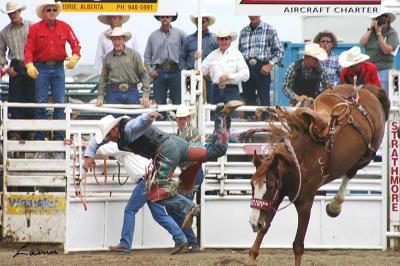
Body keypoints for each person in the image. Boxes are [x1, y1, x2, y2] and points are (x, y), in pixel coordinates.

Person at [83, 100, 242, 230]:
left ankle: (190, 207)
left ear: (114, 129)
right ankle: (222, 116)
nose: (108, 139)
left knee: (155, 192)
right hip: (177, 145)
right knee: (215, 151)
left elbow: (139, 122)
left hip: (165, 152)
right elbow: (97, 141)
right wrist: (89, 154)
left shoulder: (129, 129)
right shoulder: (116, 133)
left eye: (108, 135)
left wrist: (148, 116)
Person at [96, 142, 189, 254]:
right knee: (160, 215)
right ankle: (181, 239)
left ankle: (125, 243)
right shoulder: (133, 144)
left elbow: (104, 149)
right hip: (153, 178)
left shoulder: (122, 145)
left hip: (145, 181)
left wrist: (89, 149)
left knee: (130, 210)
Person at [24, 0, 81, 143]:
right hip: (40, 68)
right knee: (40, 102)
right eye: (48, 10)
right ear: (43, 12)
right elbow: (28, 49)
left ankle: (59, 137)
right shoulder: (34, 29)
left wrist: (75, 56)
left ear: (57, 11)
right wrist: (29, 64)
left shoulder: (65, 27)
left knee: (60, 103)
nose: (51, 12)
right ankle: (39, 138)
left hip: (58, 67)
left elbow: (76, 44)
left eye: (53, 10)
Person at [169, 105, 204, 252]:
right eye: (179, 119)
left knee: (180, 208)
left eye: (184, 118)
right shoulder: (181, 133)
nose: (181, 121)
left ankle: (188, 241)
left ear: (188, 119)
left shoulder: (191, 133)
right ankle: (188, 241)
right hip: (189, 174)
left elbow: (193, 155)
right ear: (176, 120)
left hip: (192, 173)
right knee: (179, 207)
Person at [0, 0, 35, 140]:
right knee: (15, 97)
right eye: (10, 13)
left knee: (31, 97)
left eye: (14, 12)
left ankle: (31, 130)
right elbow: (0, 51)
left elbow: (37, 44)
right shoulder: (4, 32)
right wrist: (6, 68)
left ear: (19, 12)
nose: (12, 15)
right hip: (16, 65)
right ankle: (16, 131)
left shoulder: (31, 26)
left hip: (31, 64)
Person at [238, 16, 284, 120]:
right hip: (246, 67)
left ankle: (265, 127)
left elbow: (280, 52)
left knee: (264, 100)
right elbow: (240, 53)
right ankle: (249, 132)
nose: (253, 16)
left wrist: (270, 65)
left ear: (259, 14)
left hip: (262, 67)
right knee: (248, 100)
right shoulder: (243, 31)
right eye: (250, 13)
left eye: (255, 13)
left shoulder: (270, 29)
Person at [95, 27, 150, 108]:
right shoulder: (107, 57)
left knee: (134, 119)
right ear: (112, 41)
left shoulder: (135, 55)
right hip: (113, 93)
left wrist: (145, 95)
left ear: (124, 40)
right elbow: (103, 78)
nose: (117, 42)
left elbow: (144, 74)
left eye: (119, 39)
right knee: (113, 119)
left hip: (132, 91)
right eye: (114, 39)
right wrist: (100, 96)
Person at [202, 28, 249, 117]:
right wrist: (197, 59)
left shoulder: (237, 54)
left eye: (226, 39)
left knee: (231, 120)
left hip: (231, 90)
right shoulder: (212, 55)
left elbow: (246, 75)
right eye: (221, 39)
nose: (224, 41)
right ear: (217, 41)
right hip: (215, 90)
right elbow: (201, 70)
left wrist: (229, 77)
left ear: (230, 40)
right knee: (215, 119)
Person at [144, 14, 186, 106]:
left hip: (176, 71)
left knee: (178, 102)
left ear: (171, 18)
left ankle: (177, 119)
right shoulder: (153, 36)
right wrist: (150, 71)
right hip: (159, 72)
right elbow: (147, 56)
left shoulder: (180, 33)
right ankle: (160, 119)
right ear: (159, 18)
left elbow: (188, 48)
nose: (165, 19)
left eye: (167, 16)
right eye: (162, 17)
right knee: (159, 103)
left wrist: (184, 67)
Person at [179, 12, 218, 103]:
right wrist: (186, 71)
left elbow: (218, 57)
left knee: (209, 102)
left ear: (207, 22)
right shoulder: (188, 39)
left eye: (203, 21)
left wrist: (212, 73)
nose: (200, 24)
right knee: (189, 102)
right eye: (198, 22)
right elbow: (182, 57)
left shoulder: (214, 39)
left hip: (208, 78)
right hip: (190, 76)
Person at [359, 7, 399, 92]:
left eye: (383, 18)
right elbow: (361, 43)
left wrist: (379, 33)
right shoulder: (371, 32)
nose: (381, 21)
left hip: (385, 70)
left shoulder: (392, 33)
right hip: (369, 70)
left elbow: (386, 50)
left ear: (388, 19)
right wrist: (371, 28)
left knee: (384, 94)